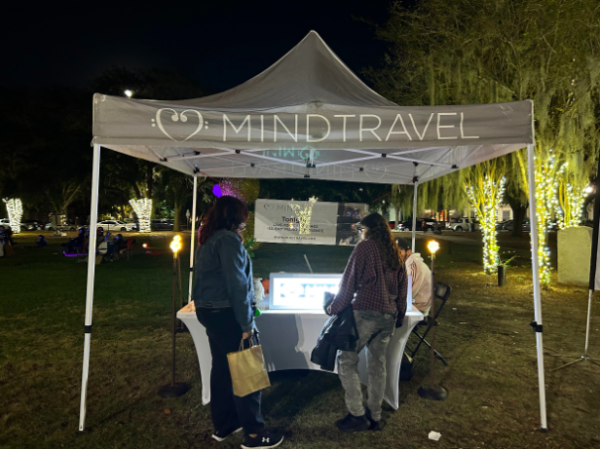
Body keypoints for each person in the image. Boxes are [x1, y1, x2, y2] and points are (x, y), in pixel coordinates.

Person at [193, 195, 284, 449]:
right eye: (244, 218)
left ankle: (225, 424)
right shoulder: (228, 240)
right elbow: (238, 285)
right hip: (228, 313)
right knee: (248, 370)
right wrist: (246, 326)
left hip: (210, 312)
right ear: (236, 219)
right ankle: (255, 434)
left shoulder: (207, 240)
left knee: (222, 370)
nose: (245, 223)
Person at [328, 212, 408, 432]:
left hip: (365, 313)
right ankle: (375, 415)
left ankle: (356, 414)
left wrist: (333, 308)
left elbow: (348, 283)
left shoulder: (365, 248)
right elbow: (403, 290)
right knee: (377, 366)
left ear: (368, 230)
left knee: (346, 361)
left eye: (361, 230)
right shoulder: (396, 252)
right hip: (388, 317)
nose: (360, 234)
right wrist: (399, 314)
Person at [396, 238, 432, 314]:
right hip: (411, 302)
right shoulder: (406, 263)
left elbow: (407, 294)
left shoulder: (413, 266)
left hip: (417, 307)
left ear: (408, 252)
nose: (396, 255)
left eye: (399, 252)